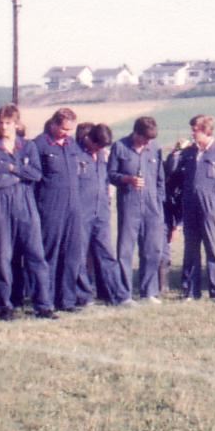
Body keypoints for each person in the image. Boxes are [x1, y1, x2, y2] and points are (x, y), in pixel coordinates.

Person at [0, 103, 53, 320]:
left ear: (16, 124)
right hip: (1, 204)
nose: (4, 127)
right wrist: (20, 175)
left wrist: (14, 169)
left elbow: (36, 174)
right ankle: (5, 304)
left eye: (8, 123)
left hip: (25, 203)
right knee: (3, 256)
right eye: (1, 123)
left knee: (36, 254)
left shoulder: (28, 147)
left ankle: (43, 304)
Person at [170, 114, 215, 302]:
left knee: (213, 250)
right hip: (189, 206)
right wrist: (176, 152)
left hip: (209, 207)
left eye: (195, 130)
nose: (192, 133)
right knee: (191, 250)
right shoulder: (189, 152)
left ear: (206, 131)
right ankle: (191, 290)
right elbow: (173, 172)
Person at [33, 107, 86, 313]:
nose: (67, 133)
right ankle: (46, 302)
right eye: (64, 129)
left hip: (73, 207)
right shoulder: (39, 145)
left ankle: (67, 300)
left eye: (70, 130)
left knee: (71, 254)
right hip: (50, 207)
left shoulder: (72, 145)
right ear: (54, 124)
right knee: (50, 254)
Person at [109, 116, 166, 304]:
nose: (147, 143)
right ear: (136, 133)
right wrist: (127, 179)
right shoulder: (120, 147)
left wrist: (159, 203)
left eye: (150, 140)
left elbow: (160, 179)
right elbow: (110, 174)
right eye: (144, 139)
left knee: (152, 249)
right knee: (125, 250)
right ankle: (124, 295)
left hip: (152, 206)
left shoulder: (155, 149)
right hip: (129, 204)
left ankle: (149, 292)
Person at [76, 122, 126, 307]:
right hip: (81, 212)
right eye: (97, 146)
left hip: (101, 212)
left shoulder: (102, 155)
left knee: (107, 254)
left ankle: (117, 295)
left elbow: (106, 181)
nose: (99, 150)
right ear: (89, 139)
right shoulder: (76, 153)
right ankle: (84, 297)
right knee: (80, 256)